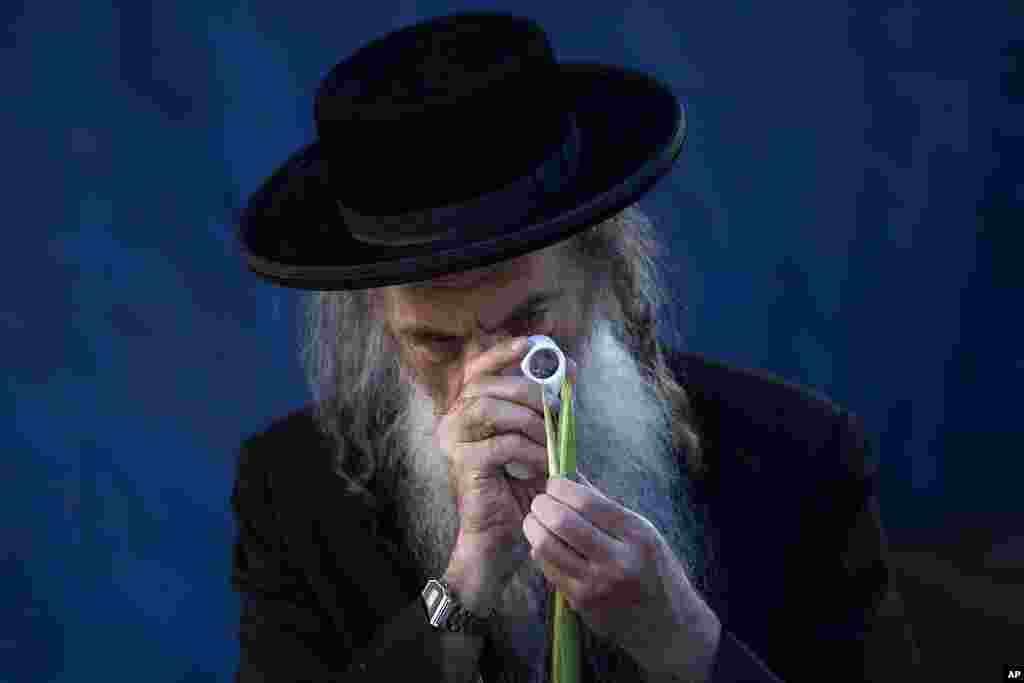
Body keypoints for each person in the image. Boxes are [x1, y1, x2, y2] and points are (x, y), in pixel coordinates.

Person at [230, 12, 920, 682]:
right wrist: (467, 577)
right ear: (377, 324)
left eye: (528, 317)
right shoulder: (292, 494)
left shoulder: (802, 459)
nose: (487, 377)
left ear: (601, 277)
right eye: (436, 342)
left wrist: (687, 642)